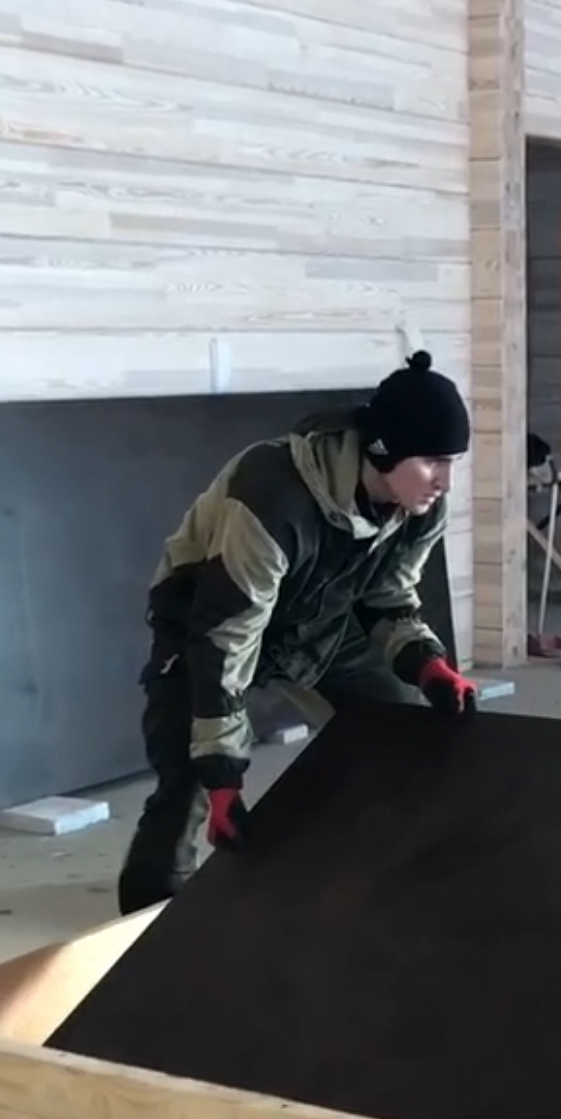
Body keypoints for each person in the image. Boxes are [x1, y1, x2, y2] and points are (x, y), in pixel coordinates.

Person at [117, 350, 478, 915]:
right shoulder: (270, 497)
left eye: (452, 461)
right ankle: (146, 918)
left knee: (392, 731)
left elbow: (389, 595)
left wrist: (426, 663)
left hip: (316, 616)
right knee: (186, 783)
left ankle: (351, 875)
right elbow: (227, 637)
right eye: (433, 460)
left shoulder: (420, 506)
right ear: (385, 449)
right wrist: (224, 775)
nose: (445, 480)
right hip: (205, 620)